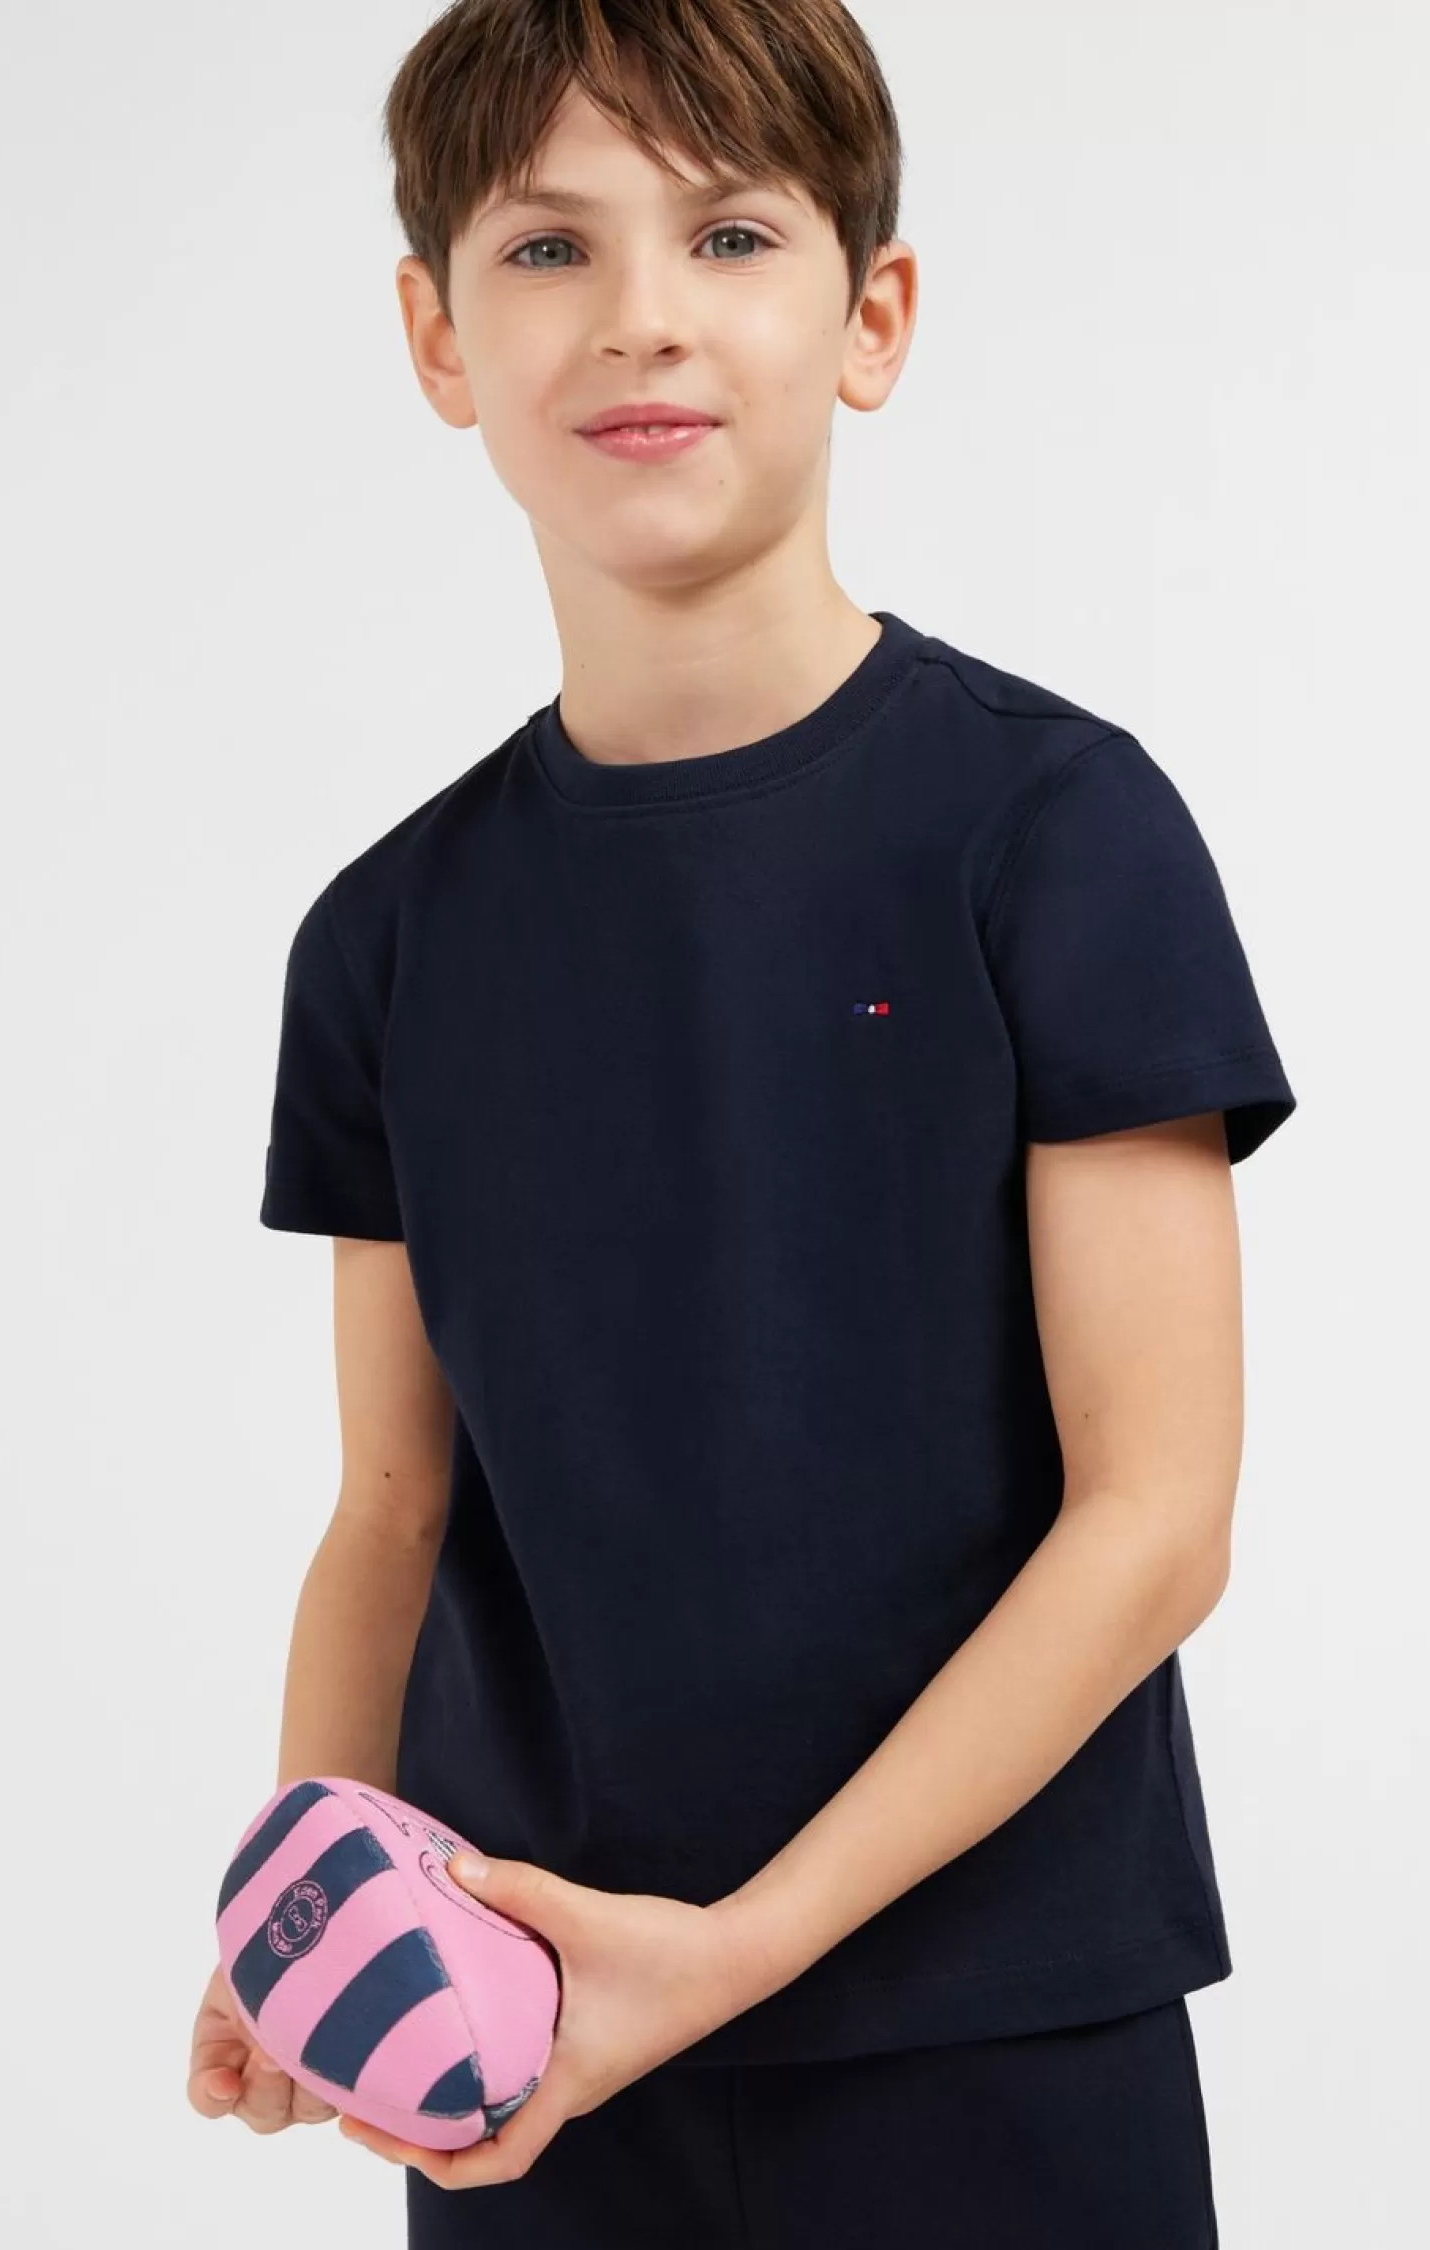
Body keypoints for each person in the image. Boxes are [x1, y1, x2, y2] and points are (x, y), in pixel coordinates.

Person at [189, 4, 1297, 2243]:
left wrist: (732, 1951)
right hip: (531, 2042)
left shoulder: (1053, 833)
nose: (642, 317)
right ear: (437, 338)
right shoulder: (387, 939)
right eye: (547, 248)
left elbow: (1158, 1518)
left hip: (1001, 2038)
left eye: (728, 233)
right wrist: (308, 1897)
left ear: (871, 315)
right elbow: (391, 1506)